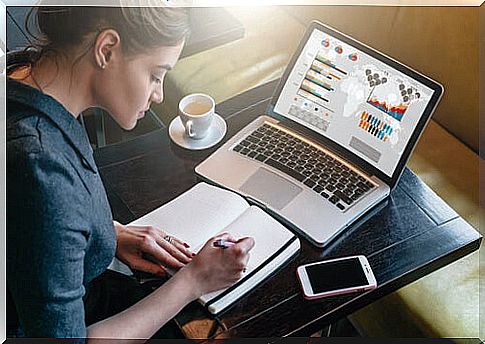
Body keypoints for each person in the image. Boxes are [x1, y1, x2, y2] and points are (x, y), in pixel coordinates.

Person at [6, 6, 255, 340]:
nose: (159, 94)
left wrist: (104, 234)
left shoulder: (23, 71)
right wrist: (193, 280)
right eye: (155, 74)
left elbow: (25, 222)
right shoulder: (42, 167)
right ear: (107, 49)